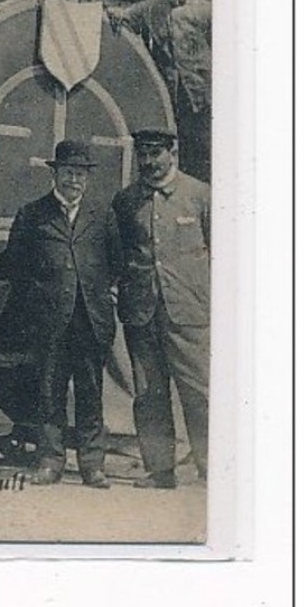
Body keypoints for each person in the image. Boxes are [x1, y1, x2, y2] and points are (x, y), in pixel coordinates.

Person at [0, 141, 121, 488]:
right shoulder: (32, 214)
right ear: (55, 174)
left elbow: (116, 264)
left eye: (80, 175)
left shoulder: (102, 216)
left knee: (90, 393)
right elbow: (15, 268)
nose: (74, 181)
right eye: (68, 173)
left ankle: (92, 464)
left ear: (88, 179)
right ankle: (50, 460)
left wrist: (102, 299)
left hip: (91, 321)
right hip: (48, 322)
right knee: (49, 392)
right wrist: (32, 310)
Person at [112, 128, 211, 489]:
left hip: (189, 314)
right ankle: (160, 470)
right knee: (149, 395)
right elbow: (118, 254)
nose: (149, 162)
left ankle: (210, 470)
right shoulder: (126, 201)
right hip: (141, 314)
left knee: (199, 393)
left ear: (173, 152)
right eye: (143, 155)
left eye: (156, 154)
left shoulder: (200, 196)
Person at [110, 0, 213, 182]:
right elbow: (123, 18)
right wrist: (116, 14)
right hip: (168, 98)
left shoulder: (207, 11)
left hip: (201, 99)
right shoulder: (150, 9)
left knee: (204, 154)